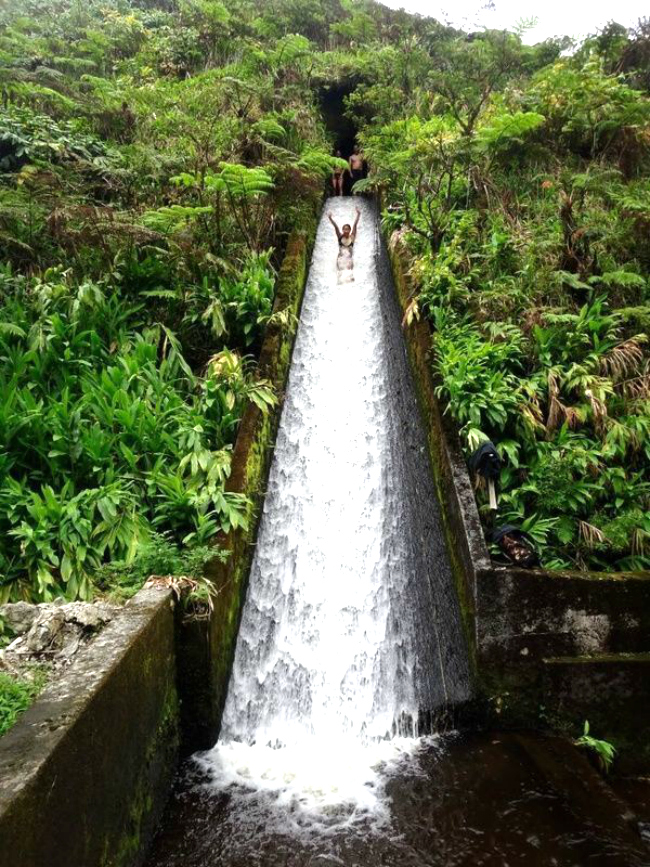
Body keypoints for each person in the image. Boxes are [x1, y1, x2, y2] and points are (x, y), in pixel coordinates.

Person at [328, 208, 361, 278]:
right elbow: (336, 227)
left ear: (350, 230)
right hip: (340, 259)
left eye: (347, 229)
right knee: (340, 272)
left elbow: (355, 225)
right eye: (344, 229)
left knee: (350, 273)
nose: (346, 230)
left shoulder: (352, 237)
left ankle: (351, 278)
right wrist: (330, 218)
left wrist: (358, 214)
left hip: (349, 259)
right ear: (342, 230)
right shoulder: (340, 236)